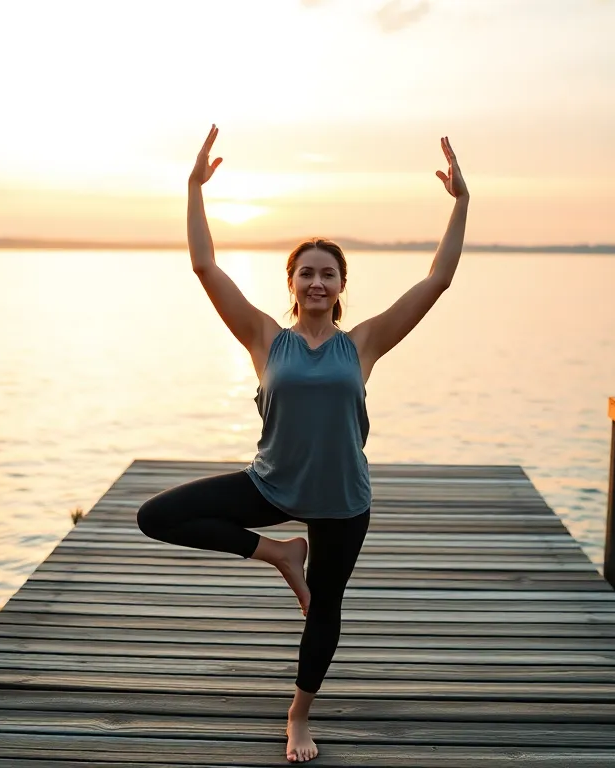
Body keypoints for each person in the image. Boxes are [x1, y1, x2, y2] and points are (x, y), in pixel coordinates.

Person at [136, 124, 469, 763]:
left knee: (327, 609)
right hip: (272, 484)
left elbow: (437, 280)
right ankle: (280, 553)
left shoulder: (364, 342)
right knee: (158, 516)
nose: (317, 283)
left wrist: (461, 204)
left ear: (342, 286)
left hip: (343, 498)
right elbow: (205, 266)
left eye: (329, 274)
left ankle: (298, 715)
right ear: (292, 282)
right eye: (307, 273)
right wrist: (193, 189)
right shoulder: (264, 337)